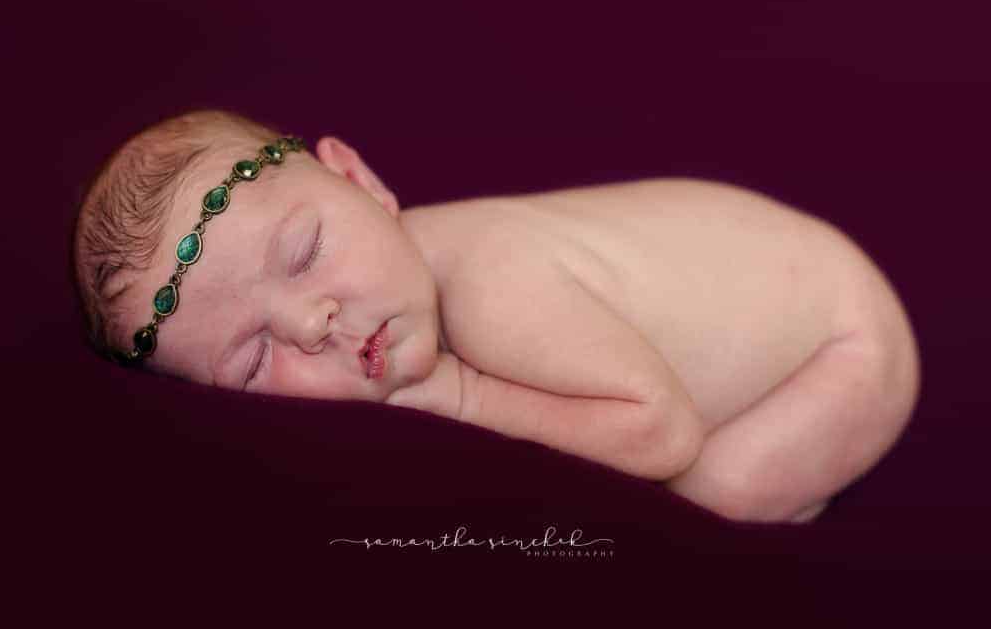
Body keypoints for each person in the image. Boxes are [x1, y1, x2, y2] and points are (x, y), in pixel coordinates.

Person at [72, 108, 921, 525]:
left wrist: (470, 400)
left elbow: (661, 432)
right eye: (253, 360)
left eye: (303, 254)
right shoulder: (402, 292)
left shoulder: (490, 282)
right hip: (783, 291)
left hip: (843, 346)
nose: (311, 321)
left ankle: (807, 497)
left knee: (709, 495)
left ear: (362, 180)